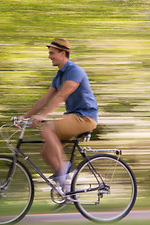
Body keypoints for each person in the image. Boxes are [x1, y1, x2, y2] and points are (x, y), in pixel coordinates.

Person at [19, 38, 98, 190]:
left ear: (63, 53)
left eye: (52, 53)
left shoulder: (74, 71)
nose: (49, 57)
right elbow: (44, 100)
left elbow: (61, 96)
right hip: (73, 117)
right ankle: (68, 188)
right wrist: (25, 116)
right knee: (46, 152)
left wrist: (42, 116)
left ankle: (65, 170)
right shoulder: (59, 76)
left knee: (47, 128)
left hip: (85, 117)